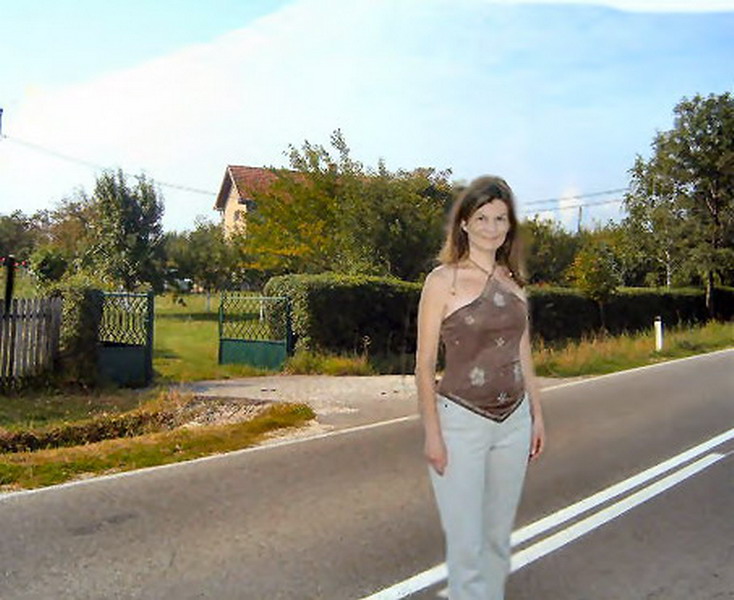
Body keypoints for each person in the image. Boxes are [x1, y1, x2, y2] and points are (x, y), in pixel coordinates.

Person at [415, 175, 546, 600]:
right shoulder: (442, 281)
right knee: (466, 542)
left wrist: (537, 415)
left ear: (510, 226)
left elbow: (523, 353)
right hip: (460, 421)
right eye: (482, 218)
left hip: (515, 421)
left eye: (500, 219)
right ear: (464, 224)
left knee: (496, 539)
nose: (492, 227)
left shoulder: (514, 281)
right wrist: (433, 434)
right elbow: (423, 366)